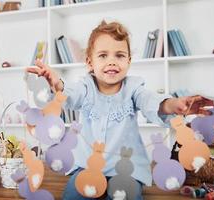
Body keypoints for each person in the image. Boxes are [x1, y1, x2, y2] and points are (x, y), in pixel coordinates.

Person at [27, 20, 194, 200]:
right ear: (90, 62)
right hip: (87, 166)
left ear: (129, 61)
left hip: (126, 168)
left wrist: (173, 104)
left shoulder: (134, 88)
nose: (112, 61)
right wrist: (57, 84)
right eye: (103, 55)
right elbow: (69, 95)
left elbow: (150, 101)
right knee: (73, 196)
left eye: (120, 55)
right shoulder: (85, 86)